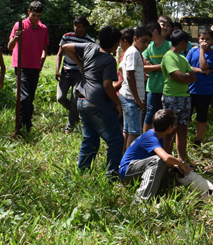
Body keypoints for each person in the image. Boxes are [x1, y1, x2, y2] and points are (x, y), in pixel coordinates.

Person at [58, 26, 124, 178]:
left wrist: (81, 64)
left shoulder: (89, 46)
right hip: (97, 103)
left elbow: (65, 46)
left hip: (82, 100)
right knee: (115, 140)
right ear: (115, 45)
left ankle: (83, 174)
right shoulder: (109, 59)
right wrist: (118, 103)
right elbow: (107, 85)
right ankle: (112, 176)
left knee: (90, 140)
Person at [119, 109, 213, 203]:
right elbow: (165, 158)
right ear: (170, 127)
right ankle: (141, 200)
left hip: (138, 170)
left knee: (175, 171)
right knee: (157, 161)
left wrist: (178, 167)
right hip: (127, 172)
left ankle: (205, 194)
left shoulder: (158, 137)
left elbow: (166, 162)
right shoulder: (150, 137)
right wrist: (181, 164)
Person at [7, 1, 49, 134]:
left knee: (30, 98)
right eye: (34, 15)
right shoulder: (20, 25)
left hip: (35, 67)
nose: (36, 18)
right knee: (23, 98)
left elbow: (44, 48)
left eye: (39, 15)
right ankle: (18, 126)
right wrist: (16, 37)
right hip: (21, 66)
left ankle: (27, 126)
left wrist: (42, 61)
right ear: (28, 11)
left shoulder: (44, 28)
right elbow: (10, 46)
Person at [161, 30, 196, 162]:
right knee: (170, 131)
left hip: (185, 97)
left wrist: (183, 77)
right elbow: (181, 77)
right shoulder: (169, 57)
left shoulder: (182, 57)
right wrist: (185, 76)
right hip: (172, 97)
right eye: (187, 43)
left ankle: (182, 160)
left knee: (183, 130)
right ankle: (167, 161)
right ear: (183, 43)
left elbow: (193, 77)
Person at [55, 15, 94, 133]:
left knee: (74, 99)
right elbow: (59, 54)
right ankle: (75, 113)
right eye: (75, 26)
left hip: (79, 74)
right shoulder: (67, 36)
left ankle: (69, 126)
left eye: (80, 26)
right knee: (61, 98)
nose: (77, 28)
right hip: (66, 71)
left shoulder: (90, 41)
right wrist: (57, 69)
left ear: (85, 27)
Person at [119, 26, 152, 150]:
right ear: (135, 38)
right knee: (135, 132)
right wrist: (137, 99)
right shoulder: (133, 52)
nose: (146, 45)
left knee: (128, 130)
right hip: (131, 98)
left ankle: (122, 159)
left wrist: (141, 76)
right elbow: (129, 74)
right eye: (143, 41)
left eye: (148, 42)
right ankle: (128, 163)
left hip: (128, 96)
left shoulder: (133, 51)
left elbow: (122, 69)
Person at [186, 28, 213, 146]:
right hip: (190, 89)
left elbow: (204, 65)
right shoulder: (191, 52)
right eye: (202, 39)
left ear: (212, 41)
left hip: (205, 91)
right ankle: (183, 139)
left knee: (202, 116)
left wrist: (202, 51)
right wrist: (200, 71)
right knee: (186, 116)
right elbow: (187, 67)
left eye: (207, 39)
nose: (204, 41)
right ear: (198, 39)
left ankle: (198, 140)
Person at [141, 21, 170, 133]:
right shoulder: (148, 48)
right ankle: (145, 140)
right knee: (149, 113)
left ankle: (163, 140)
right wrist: (161, 66)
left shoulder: (169, 46)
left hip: (167, 88)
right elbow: (142, 66)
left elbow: (172, 66)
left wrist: (152, 66)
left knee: (165, 115)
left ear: (155, 32)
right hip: (152, 87)